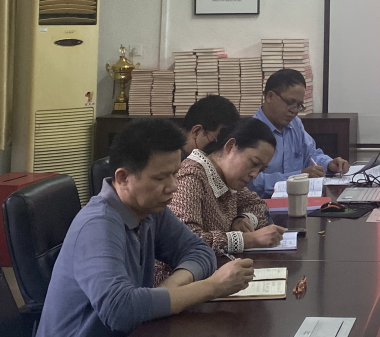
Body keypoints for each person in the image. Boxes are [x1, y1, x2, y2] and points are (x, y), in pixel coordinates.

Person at [37, 119, 254, 337]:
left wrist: (169, 288)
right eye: (160, 178)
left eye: (175, 173)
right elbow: (119, 310)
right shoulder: (98, 225)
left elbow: (199, 251)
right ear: (123, 177)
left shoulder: (150, 210)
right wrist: (213, 287)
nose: (173, 186)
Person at [157, 118, 287, 282]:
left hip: (216, 276)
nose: (254, 174)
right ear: (230, 146)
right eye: (253, 163)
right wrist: (246, 239)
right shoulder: (191, 175)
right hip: (180, 283)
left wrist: (244, 219)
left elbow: (259, 207)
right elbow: (187, 242)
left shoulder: (227, 179)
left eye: (261, 170)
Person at [248, 68, 350, 197]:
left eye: (299, 105)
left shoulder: (295, 124)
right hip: (263, 203)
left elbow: (311, 155)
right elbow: (252, 182)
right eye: (290, 103)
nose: (294, 110)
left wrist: (329, 165)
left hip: (299, 199)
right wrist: (298, 177)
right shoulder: (251, 131)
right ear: (270, 97)